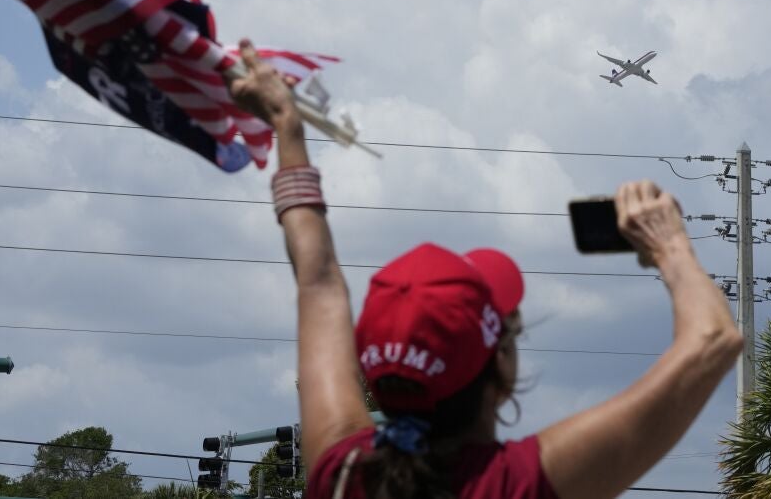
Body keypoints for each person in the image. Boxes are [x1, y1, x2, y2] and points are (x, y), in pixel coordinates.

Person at [228, 39, 744, 499]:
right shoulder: (515, 483)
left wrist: (286, 127)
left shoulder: (342, 475)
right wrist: (668, 243)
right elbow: (716, 339)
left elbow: (317, 283)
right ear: (502, 371)